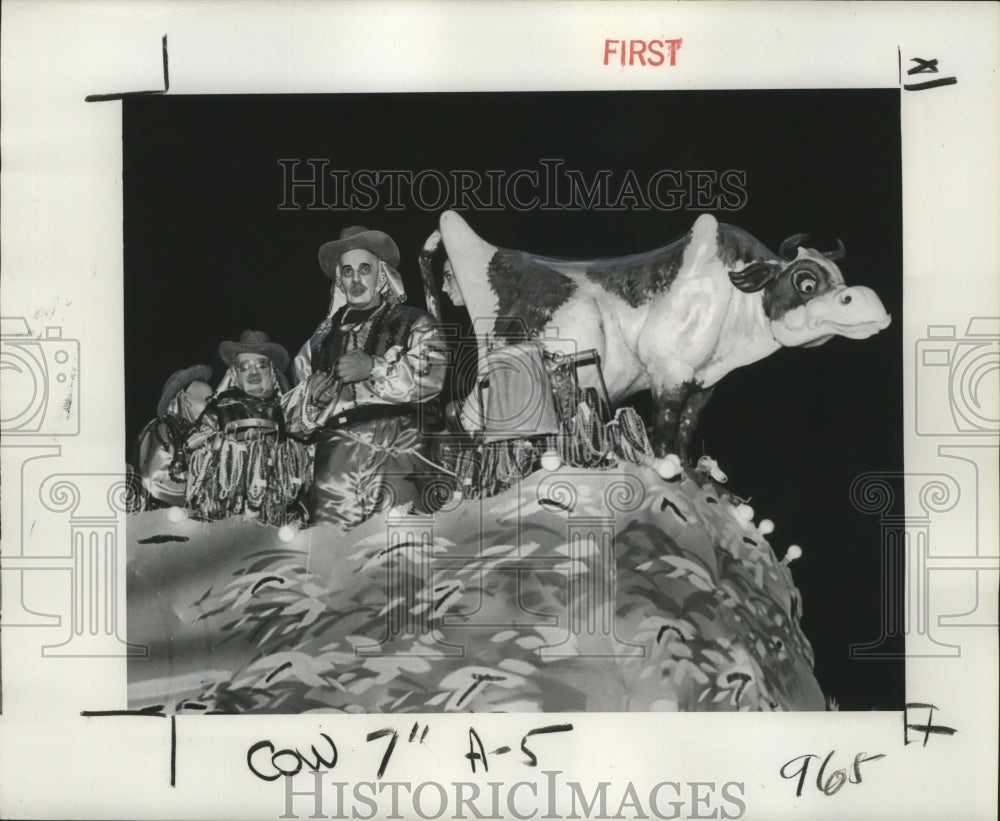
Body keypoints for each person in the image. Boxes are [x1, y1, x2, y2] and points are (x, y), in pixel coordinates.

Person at [282, 226, 447, 528]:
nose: (356, 280)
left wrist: (373, 368)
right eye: (347, 272)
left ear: (381, 275)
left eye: (364, 269)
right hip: (335, 458)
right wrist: (312, 401)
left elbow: (432, 377)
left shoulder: (414, 321)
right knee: (332, 555)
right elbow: (293, 420)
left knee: (398, 544)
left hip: (398, 444)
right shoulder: (318, 342)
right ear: (339, 281)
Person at [185, 330, 309, 525]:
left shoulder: (288, 410)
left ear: (271, 369)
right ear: (235, 373)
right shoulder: (220, 408)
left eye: (260, 365)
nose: (253, 373)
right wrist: (219, 445)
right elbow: (192, 445)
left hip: (277, 518)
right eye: (244, 367)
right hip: (227, 519)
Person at [130, 365, 214, 510]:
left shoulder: (196, 435)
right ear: (186, 401)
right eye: (208, 400)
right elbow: (158, 482)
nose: (212, 408)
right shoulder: (159, 429)